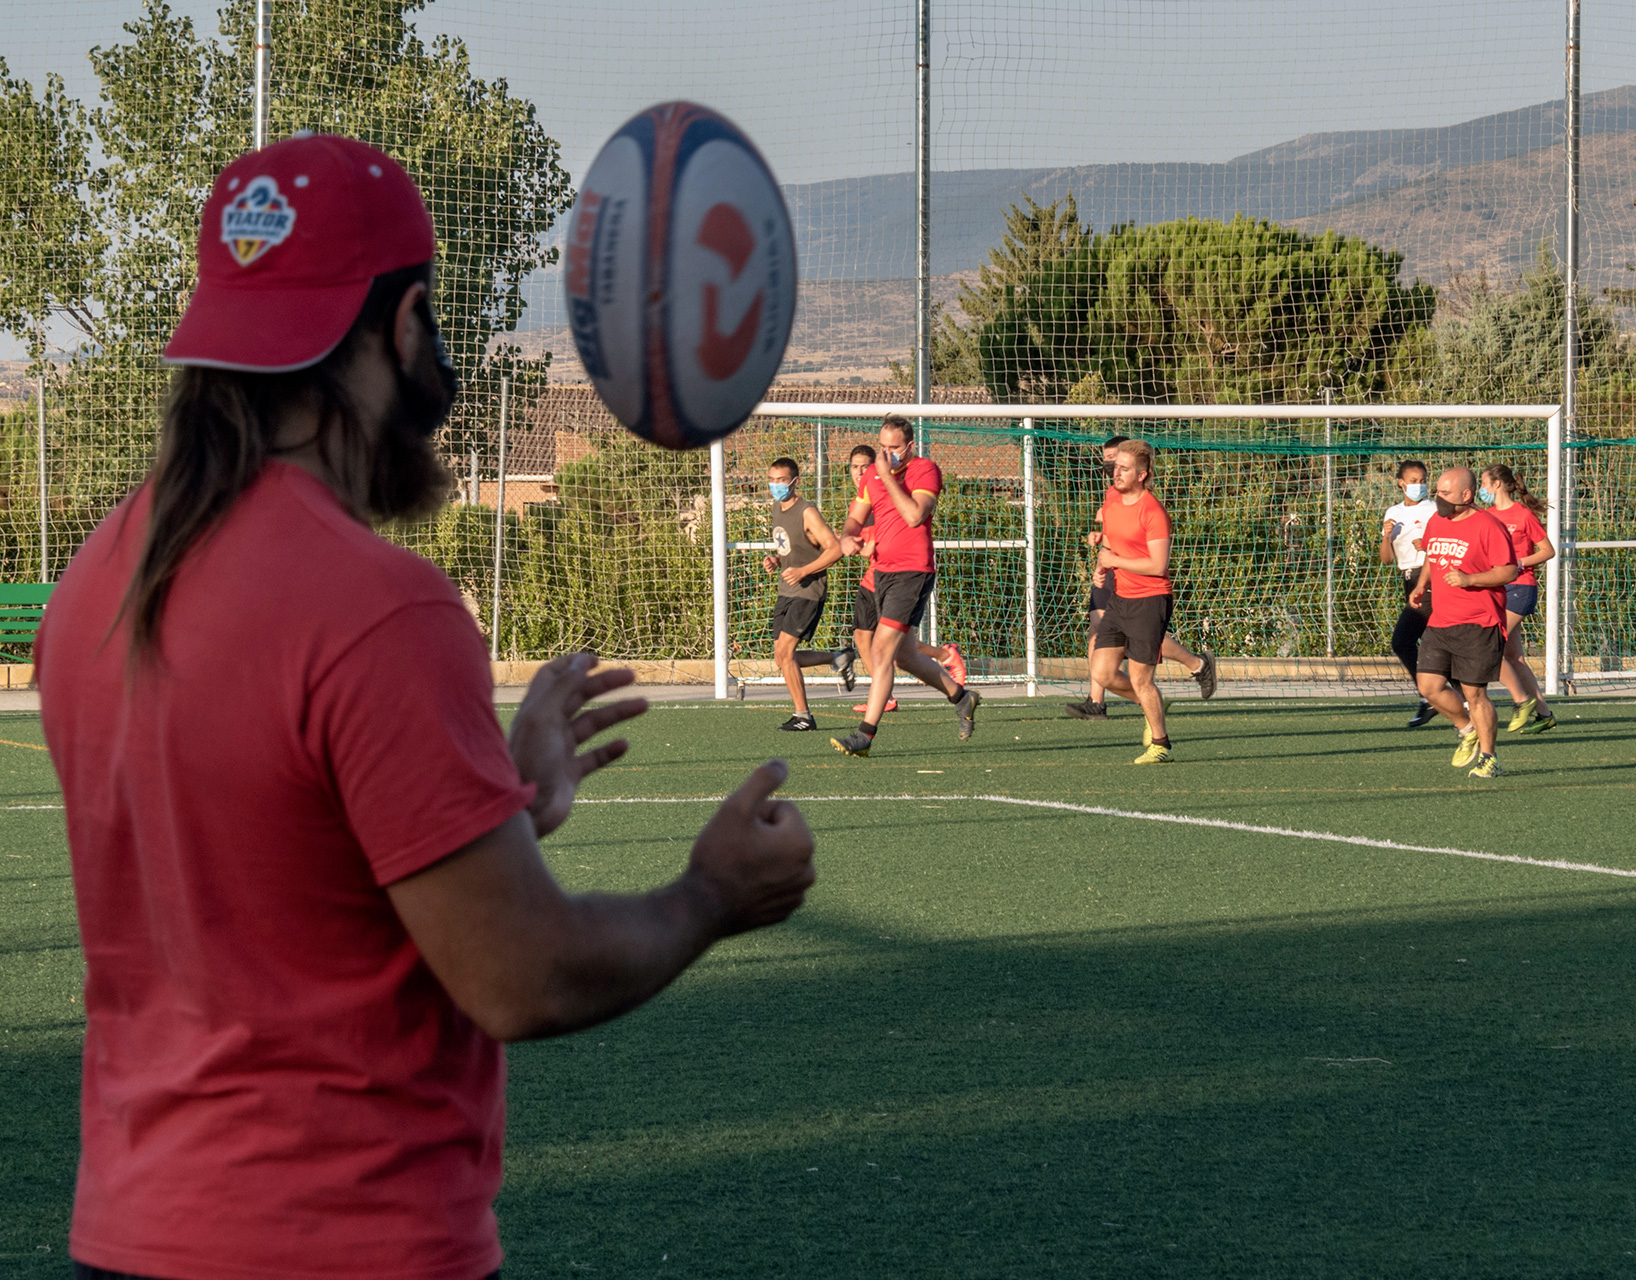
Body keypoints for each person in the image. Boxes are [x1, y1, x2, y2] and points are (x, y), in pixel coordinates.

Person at [34, 134, 817, 1280]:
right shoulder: (377, 604)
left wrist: (504, 802)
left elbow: (271, 866)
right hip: (342, 1244)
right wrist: (711, 893)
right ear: (404, 327)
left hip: (130, 1234)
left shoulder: (99, 581)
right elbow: (523, 975)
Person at [831, 415, 980, 756]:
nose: (887, 454)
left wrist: (887, 477)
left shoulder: (925, 470)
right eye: (882, 447)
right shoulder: (872, 474)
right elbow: (855, 516)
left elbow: (915, 516)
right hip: (882, 572)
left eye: (894, 447)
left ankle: (865, 736)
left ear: (910, 446)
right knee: (905, 657)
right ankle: (961, 697)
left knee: (881, 650)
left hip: (913, 571)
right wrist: (847, 537)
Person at [1064, 434, 1215, 720]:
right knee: (1098, 634)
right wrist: (1101, 558)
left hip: (1141, 583)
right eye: (1109, 461)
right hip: (1115, 573)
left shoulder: (1149, 507)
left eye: (1117, 462)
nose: (1112, 468)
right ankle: (1099, 701)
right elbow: (1112, 531)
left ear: (1139, 471)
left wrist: (1111, 553)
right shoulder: (1112, 496)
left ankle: (1190, 668)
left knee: (1135, 639)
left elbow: (1152, 557)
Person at [1408, 466, 1520, 778]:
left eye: (1445, 493)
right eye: (1438, 491)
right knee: (1429, 687)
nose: (1438, 498)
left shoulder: (1488, 526)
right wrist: (1421, 584)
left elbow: (1509, 571)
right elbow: (1432, 554)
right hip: (1441, 620)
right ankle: (1467, 728)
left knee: (1475, 694)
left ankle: (1489, 758)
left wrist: (1469, 579)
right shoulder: (1437, 520)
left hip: (1479, 623)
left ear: (1466, 495)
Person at [843, 444, 965, 715]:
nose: (860, 472)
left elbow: (899, 527)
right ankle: (956, 688)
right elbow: (853, 531)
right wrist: (846, 540)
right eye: (854, 467)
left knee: (887, 646)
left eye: (865, 466)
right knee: (879, 643)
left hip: (896, 576)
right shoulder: (862, 498)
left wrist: (867, 545)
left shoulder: (891, 487)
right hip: (875, 578)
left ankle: (871, 722)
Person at [1089, 440, 1178, 763]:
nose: (1116, 473)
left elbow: (1157, 565)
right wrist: (1101, 566)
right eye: (1116, 467)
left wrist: (1114, 561)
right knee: (1102, 673)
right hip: (1120, 599)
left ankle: (1161, 744)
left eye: (1124, 469)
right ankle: (1152, 705)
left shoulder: (1153, 512)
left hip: (1149, 601)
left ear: (1142, 474)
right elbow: (1110, 543)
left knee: (1142, 679)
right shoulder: (1112, 503)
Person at [762, 456, 853, 731]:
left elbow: (835, 548)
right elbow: (793, 546)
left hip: (809, 591)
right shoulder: (777, 508)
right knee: (781, 657)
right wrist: (777, 560)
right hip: (786, 589)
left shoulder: (807, 511)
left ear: (795, 481)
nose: (776, 485)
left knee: (785, 652)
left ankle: (803, 716)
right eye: (772, 480)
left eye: (781, 480)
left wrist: (803, 571)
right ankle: (838, 657)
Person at [1478, 464, 1558, 734]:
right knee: (1514, 657)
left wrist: (1520, 562)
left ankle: (1521, 701)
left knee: (1488, 647)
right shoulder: (1486, 516)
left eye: (1484, 483)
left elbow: (1547, 550)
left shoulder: (1522, 515)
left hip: (1520, 589)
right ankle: (1544, 715)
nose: (1482, 489)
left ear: (1497, 484)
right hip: (1497, 590)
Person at [1379, 459, 1441, 727]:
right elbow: (1386, 559)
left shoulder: (1434, 509)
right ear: (1401, 483)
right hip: (1409, 579)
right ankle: (1449, 698)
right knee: (1432, 643)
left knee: (1403, 640)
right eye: (1414, 481)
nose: (1419, 485)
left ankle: (1433, 697)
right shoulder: (1393, 512)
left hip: (1429, 579)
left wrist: (1427, 545)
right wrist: (1386, 536)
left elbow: (1445, 543)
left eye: (1423, 480)